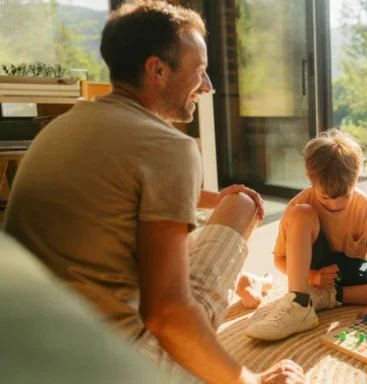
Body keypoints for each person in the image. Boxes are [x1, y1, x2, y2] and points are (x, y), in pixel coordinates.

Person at [3, 2, 302, 383]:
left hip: (34, 343)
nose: (208, 86)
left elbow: (122, 187)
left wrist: (211, 199)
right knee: (242, 205)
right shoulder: (169, 147)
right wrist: (250, 380)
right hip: (115, 360)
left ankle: (243, 281)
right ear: (157, 70)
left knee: (208, 217)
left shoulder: (65, 126)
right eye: (200, 71)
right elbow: (167, 314)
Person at [244, 129, 367, 341]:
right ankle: (299, 303)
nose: (336, 205)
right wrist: (312, 277)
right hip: (312, 271)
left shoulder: (365, 206)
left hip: (349, 269)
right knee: (302, 213)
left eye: (344, 196)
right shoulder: (298, 206)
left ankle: (330, 298)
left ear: (356, 177)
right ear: (309, 179)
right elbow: (280, 259)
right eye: (326, 197)